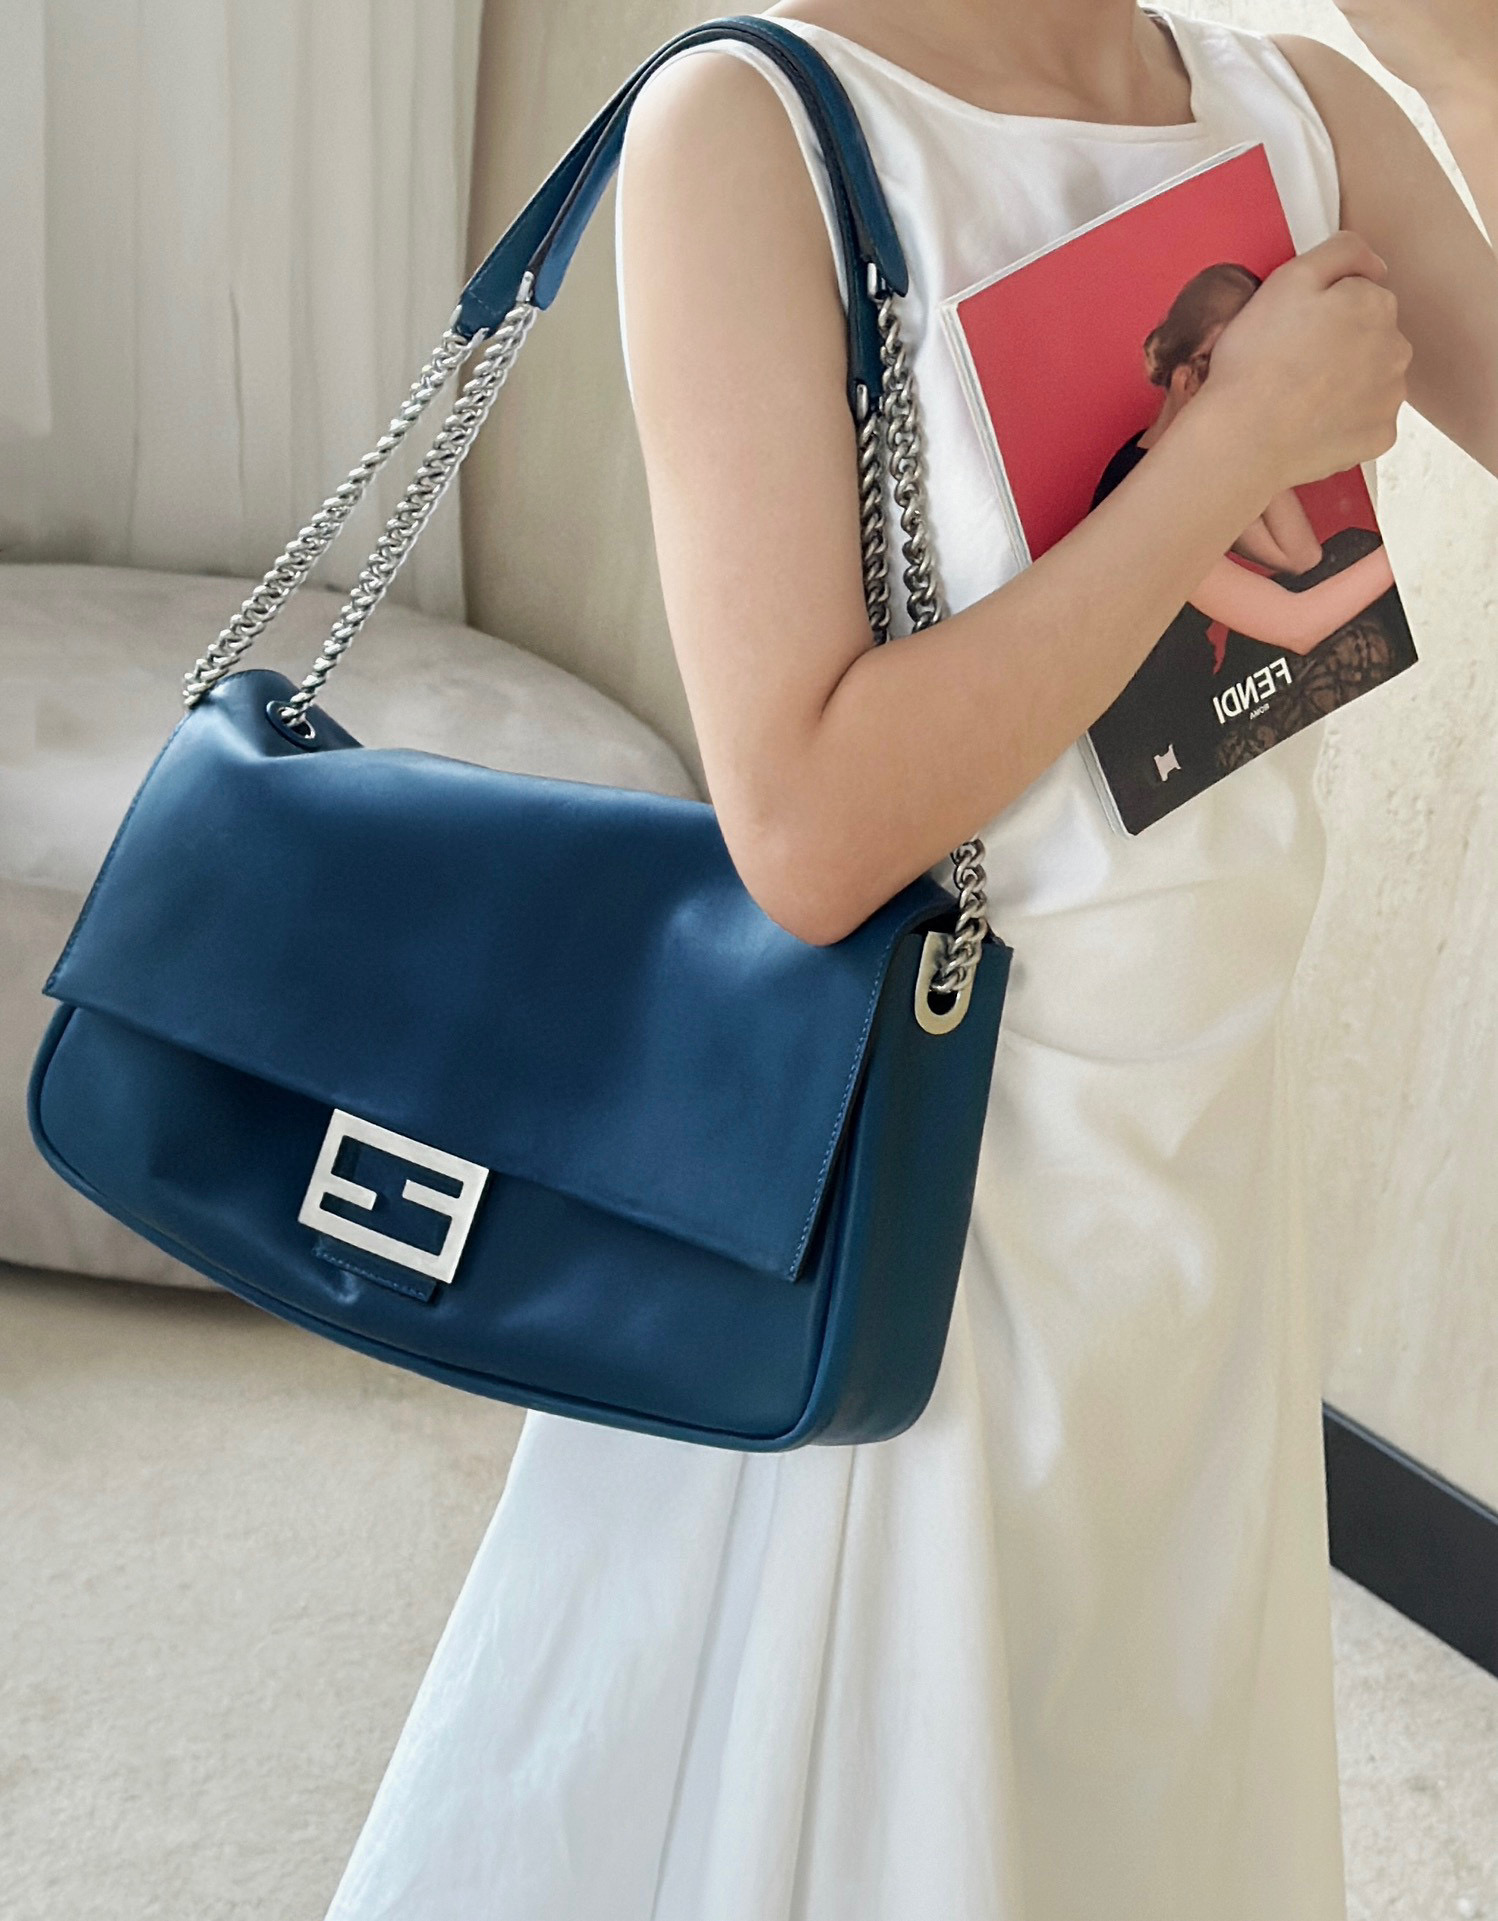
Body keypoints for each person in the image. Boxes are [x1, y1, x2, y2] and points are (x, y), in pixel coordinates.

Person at [323, 2, 1498, 1916]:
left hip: (1201, 1156)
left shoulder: (1290, 104)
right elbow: (803, 829)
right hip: (918, 1181)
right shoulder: (752, 127)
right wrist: (1224, 454)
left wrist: (1465, 72)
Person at [1088, 260, 1406, 826]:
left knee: (1352, 552)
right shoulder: (1139, 492)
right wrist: (1412, 545)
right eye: (1232, 373)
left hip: (1202, 695)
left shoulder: (1178, 462)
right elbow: (1298, 626)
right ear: (1187, 379)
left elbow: (1299, 556)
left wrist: (1258, 431)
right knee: (1362, 635)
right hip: (1164, 757)